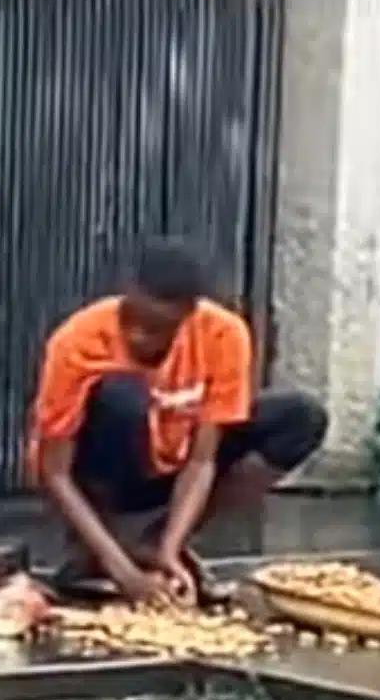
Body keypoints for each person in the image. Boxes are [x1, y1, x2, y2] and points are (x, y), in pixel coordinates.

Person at [27, 237, 328, 605]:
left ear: (188, 316)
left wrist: (171, 548)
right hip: (103, 469)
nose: (140, 336)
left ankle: (153, 545)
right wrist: (121, 571)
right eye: (133, 320)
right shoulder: (78, 340)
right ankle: (99, 551)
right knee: (123, 396)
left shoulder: (225, 334)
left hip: (174, 463)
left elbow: (203, 460)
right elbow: (54, 471)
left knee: (300, 417)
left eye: (158, 329)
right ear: (126, 294)